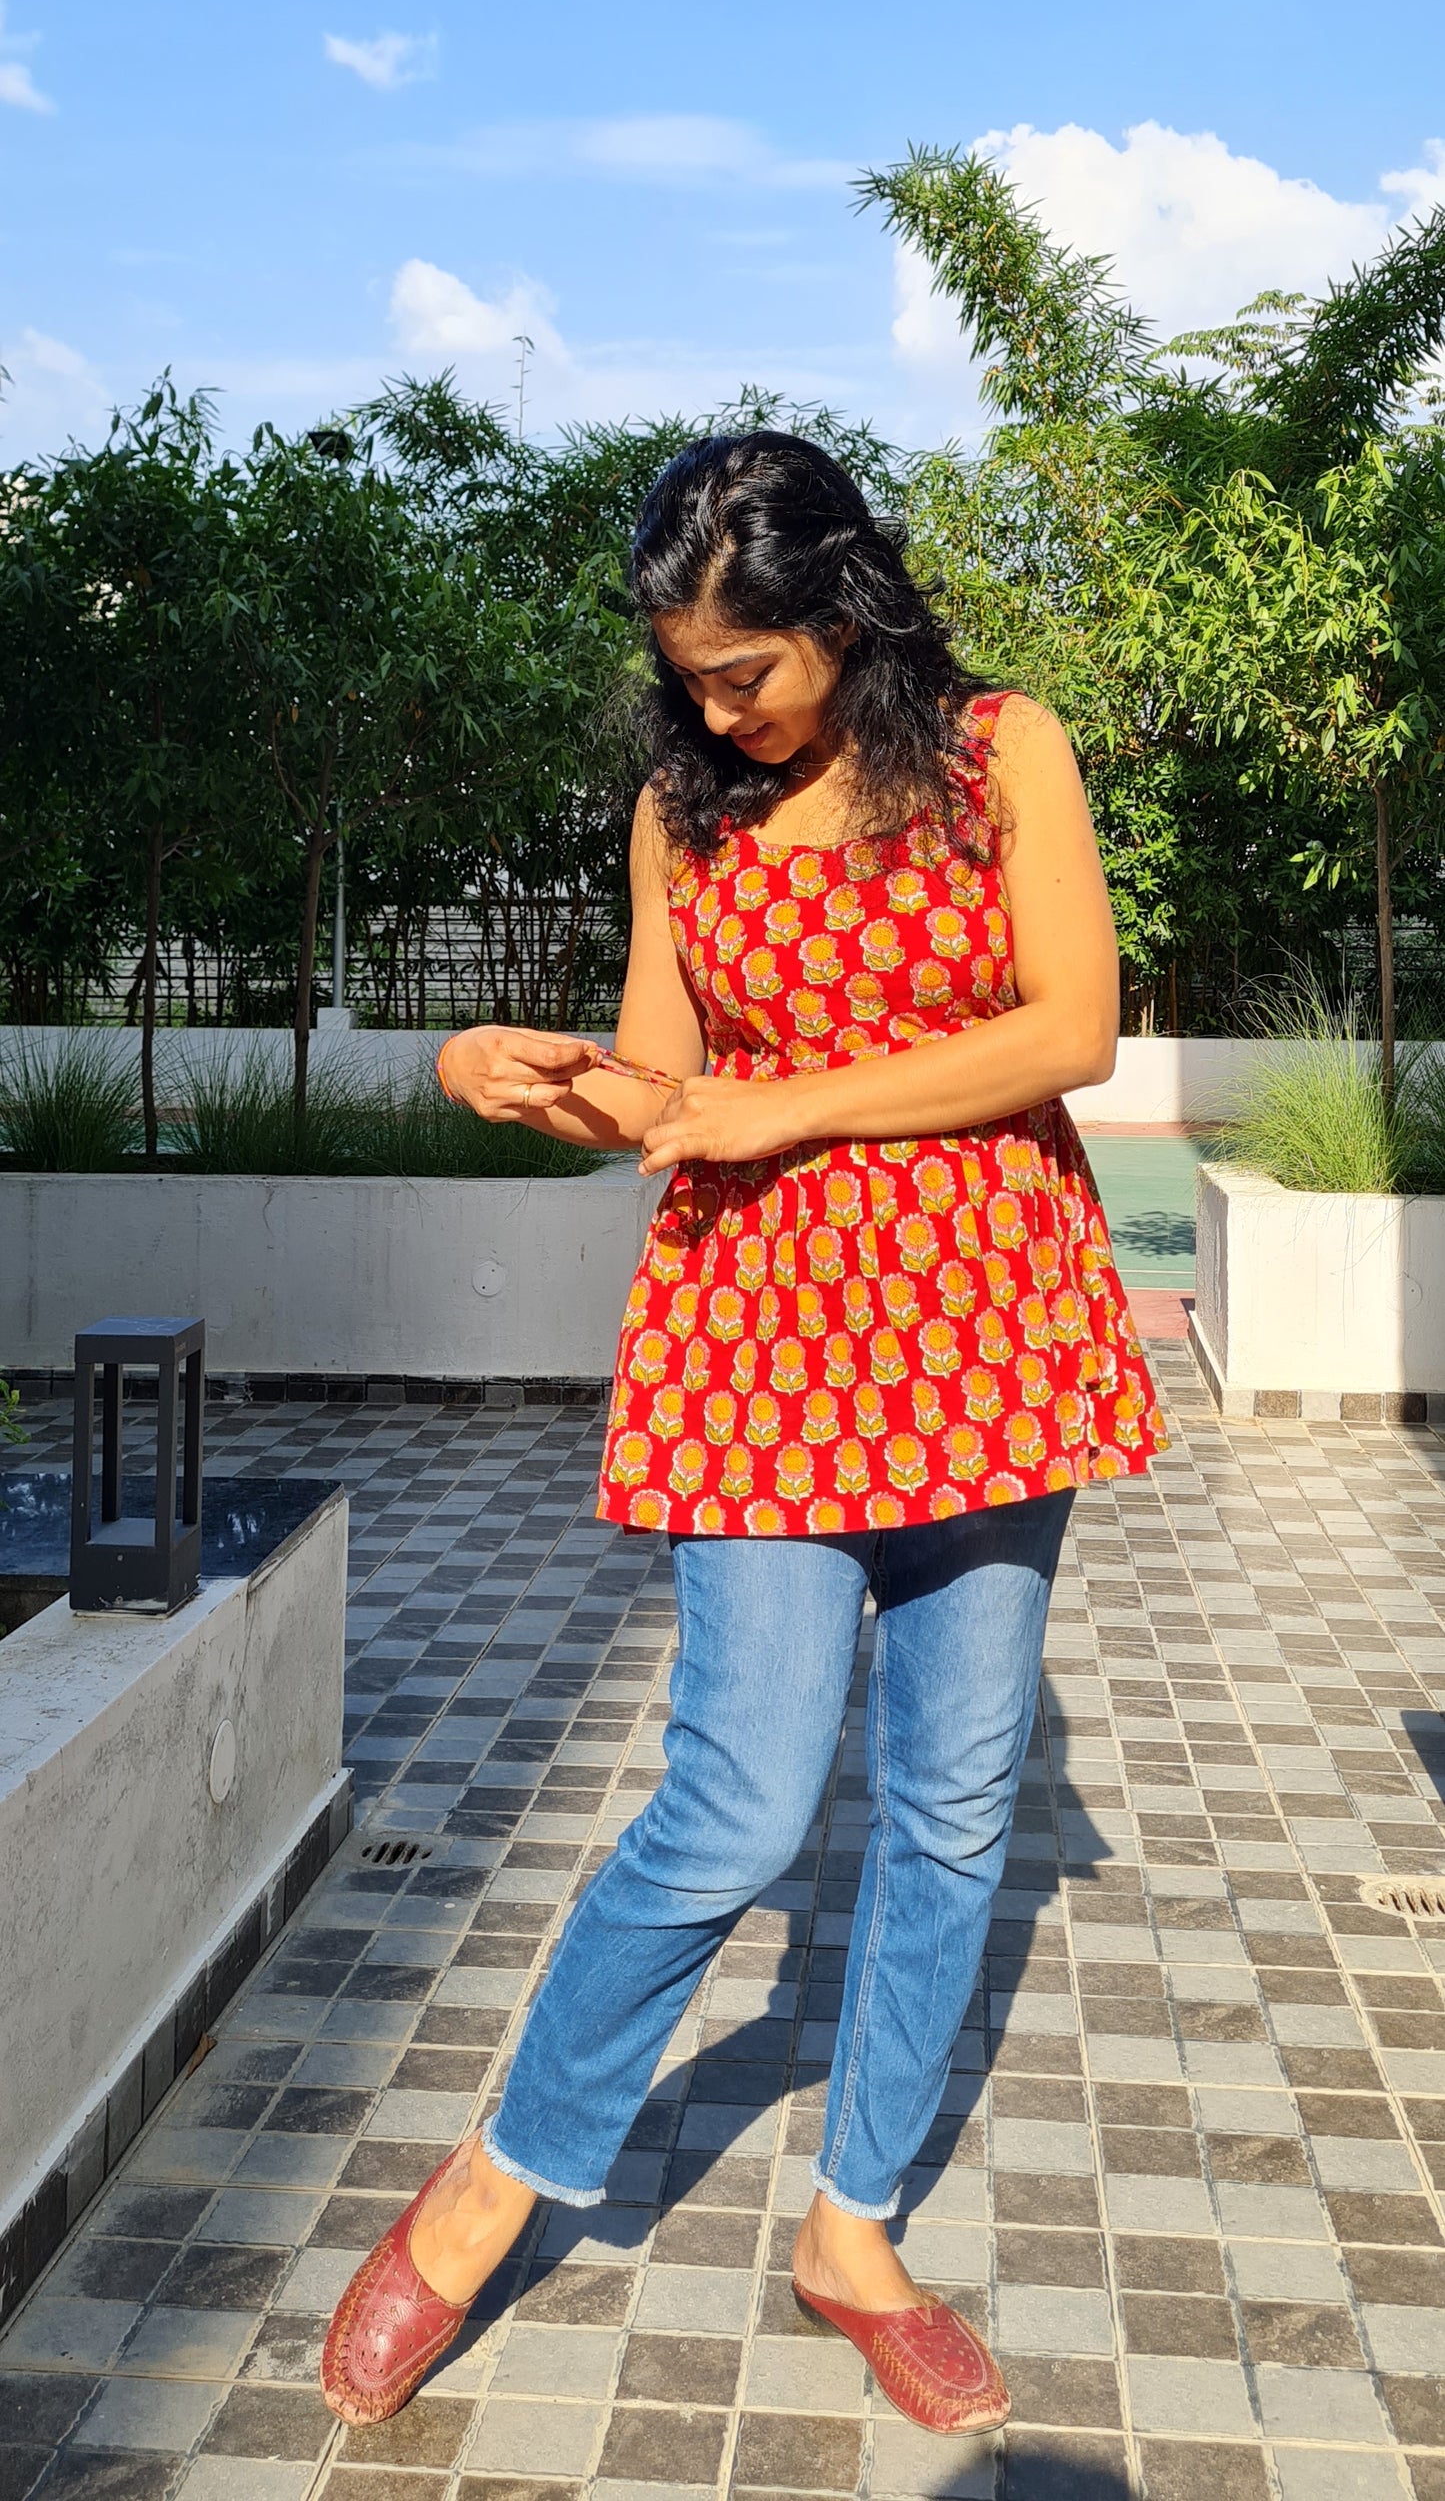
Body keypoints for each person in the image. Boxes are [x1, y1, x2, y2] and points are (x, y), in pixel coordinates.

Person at [321, 430, 1167, 2437]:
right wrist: (514, 1072)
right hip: (764, 1343)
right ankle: (502, 2167)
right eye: (687, 672)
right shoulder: (684, 813)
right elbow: (670, 1075)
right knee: (740, 1804)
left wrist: (789, 1109)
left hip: (985, 1332)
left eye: (747, 671)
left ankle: (855, 2226)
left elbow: (1073, 1027)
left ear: (845, 611)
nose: (715, 707)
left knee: (960, 1802)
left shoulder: (994, 754)